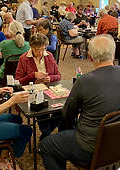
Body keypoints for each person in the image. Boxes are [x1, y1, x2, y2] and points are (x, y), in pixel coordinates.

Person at [40, 34, 120, 170]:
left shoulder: (84, 81)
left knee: (46, 145)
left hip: (91, 147)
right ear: (113, 54)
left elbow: (68, 114)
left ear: (90, 57)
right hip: (116, 142)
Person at [15, 33, 63, 145]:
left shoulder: (49, 55)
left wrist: (50, 78)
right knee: (43, 111)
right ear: (31, 47)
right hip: (34, 92)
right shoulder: (24, 58)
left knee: (63, 108)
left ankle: (46, 135)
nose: (41, 53)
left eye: (43, 49)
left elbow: (58, 75)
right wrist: (32, 75)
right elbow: (18, 81)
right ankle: (46, 132)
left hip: (49, 89)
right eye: (38, 50)